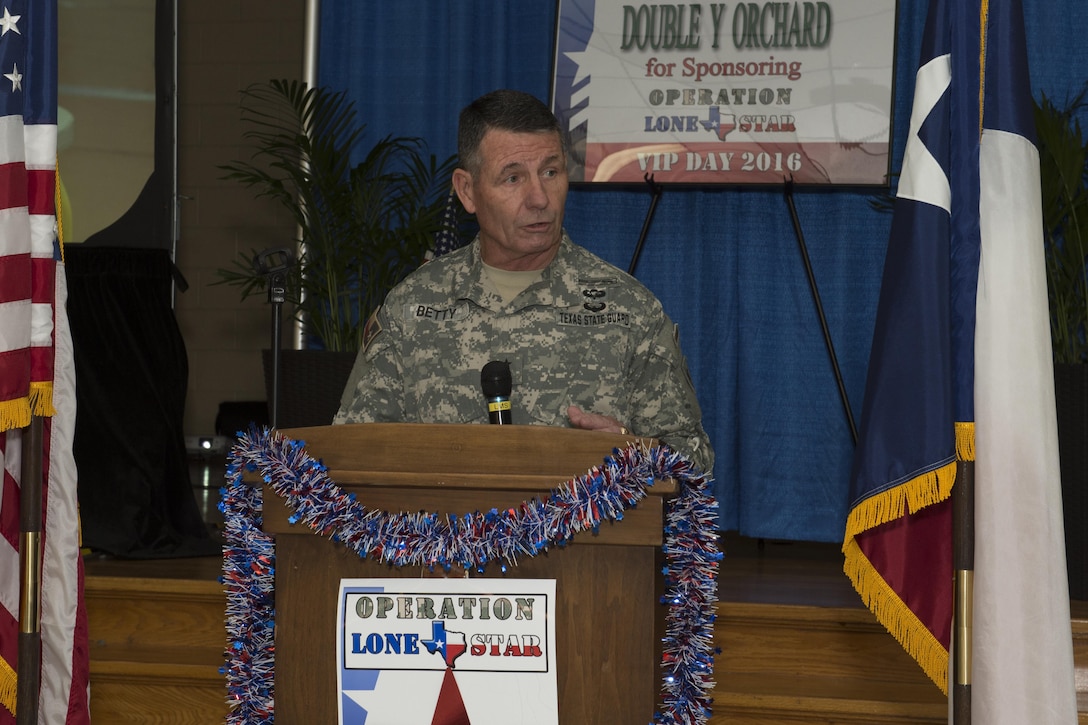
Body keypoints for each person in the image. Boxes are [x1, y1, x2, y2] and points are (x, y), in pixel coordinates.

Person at [334, 89, 713, 472]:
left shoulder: (628, 310)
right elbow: (351, 450)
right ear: (467, 191)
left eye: (550, 172)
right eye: (513, 177)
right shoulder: (412, 308)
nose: (539, 198)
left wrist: (631, 455)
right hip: (449, 530)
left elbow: (695, 460)